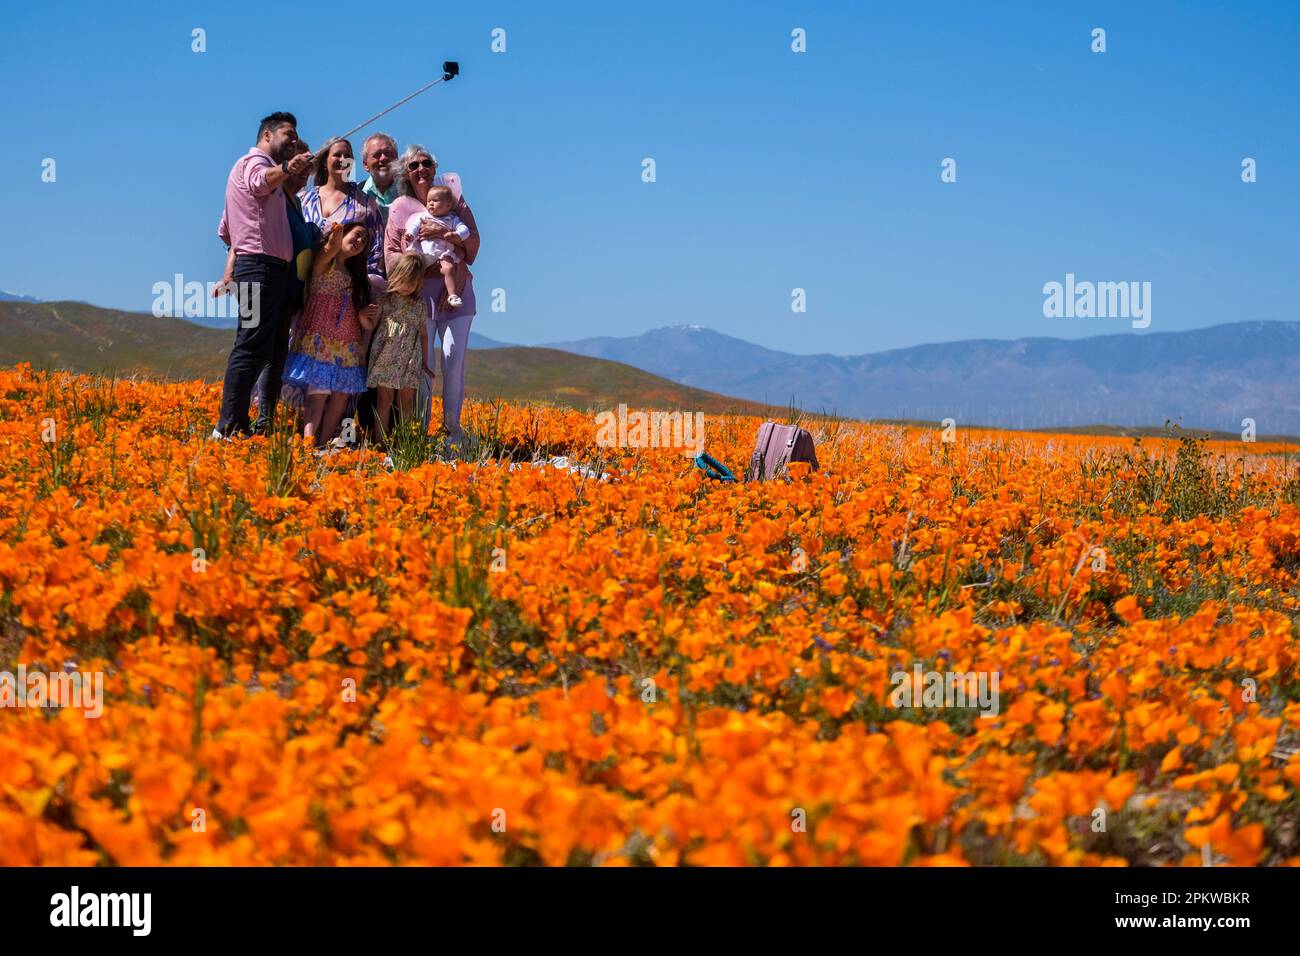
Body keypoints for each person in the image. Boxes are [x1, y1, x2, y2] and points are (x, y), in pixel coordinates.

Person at [212, 111, 313, 438]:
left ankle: (240, 422)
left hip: (271, 269)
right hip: (259, 268)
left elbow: (226, 228)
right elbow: (258, 182)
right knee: (252, 345)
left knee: (269, 348)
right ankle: (227, 426)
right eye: (288, 134)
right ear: (267, 136)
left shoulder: (269, 176)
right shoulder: (252, 163)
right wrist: (285, 169)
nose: (293, 141)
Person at [383, 145, 480, 451]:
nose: (421, 169)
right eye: (413, 165)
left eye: (426, 163)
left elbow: (473, 247)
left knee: (454, 360)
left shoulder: (454, 199)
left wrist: (446, 236)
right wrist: (418, 270)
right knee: (421, 364)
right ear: (406, 173)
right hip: (419, 293)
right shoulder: (400, 208)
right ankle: (418, 432)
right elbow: (391, 255)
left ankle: (453, 431)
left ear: (435, 167)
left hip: (456, 291)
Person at [282, 223, 379, 447]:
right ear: (342, 235)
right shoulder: (325, 263)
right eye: (357, 235)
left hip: (348, 340)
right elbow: (328, 251)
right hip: (320, 339)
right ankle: (308, 443)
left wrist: (364, 314)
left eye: (364, 242)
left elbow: (360, 316)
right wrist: (335, 235)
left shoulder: (356, 275)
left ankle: (322, 443)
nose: (359, 242)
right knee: (317, 395)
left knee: (340, 397)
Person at [366, 253, 434, 447]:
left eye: (413, 282)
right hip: (386, 357)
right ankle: (380, 444)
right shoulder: (383, 300)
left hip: (410, 358)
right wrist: (366, 317)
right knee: (384, 399)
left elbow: (423, 335)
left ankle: (404, 444)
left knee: (407, 402)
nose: (408, 286)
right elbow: (371, 327)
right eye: (405, 280)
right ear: (395, 276)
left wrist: (425, 362)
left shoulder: (419, 304)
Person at [404, 185, 471, 307]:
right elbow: (414, 226)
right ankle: (411, 293)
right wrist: (410, 234)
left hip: (442, 253)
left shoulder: (452, 219)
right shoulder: (424, 216)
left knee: (449, 268)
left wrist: (456, 235)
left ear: (448, 205)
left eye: (435, 200)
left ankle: (452, 295)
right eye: (429, 201)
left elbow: (465, 230)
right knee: (415, 269)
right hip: (424, 251)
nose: (430, 204)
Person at [358, 132, 399, 225]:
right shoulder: (357, 196)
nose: (383, 158)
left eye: (388, 153)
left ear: (397, 158)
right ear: (365, 165)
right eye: (376, 155)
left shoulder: (412, 190)